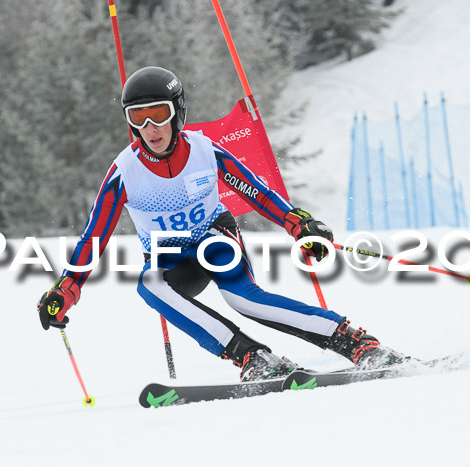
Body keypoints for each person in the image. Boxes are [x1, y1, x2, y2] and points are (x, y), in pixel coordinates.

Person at [38, 66, 405, 381]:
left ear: (177, 112)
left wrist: (298, 225)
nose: (151, 128)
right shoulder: (125, 171)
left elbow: (257, 193)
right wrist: (68, 286)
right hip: (168, 257)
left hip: (213, 238)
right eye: (138, 118)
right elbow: (94, 237)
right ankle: (252, 357)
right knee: (149, 285)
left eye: (159, 114)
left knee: (242, 300)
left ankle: (358, 344)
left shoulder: (204, 151)